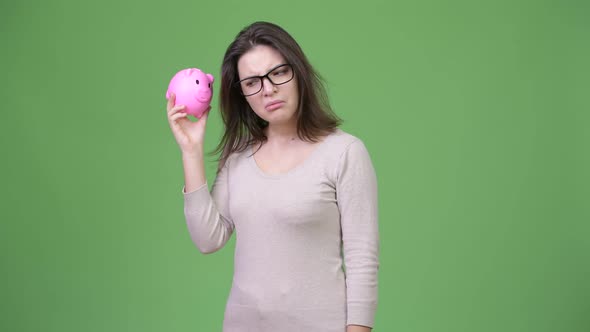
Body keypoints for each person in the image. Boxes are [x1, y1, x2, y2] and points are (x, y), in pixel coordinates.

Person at [166, 21, 379, 332]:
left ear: (298, 71)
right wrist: (191, 150)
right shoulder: (238, 158)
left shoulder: (344, 152)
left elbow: (363, 260)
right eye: (252, 82)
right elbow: (207, 239)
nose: (268, 89)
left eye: (278, 72)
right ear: (243, 94)